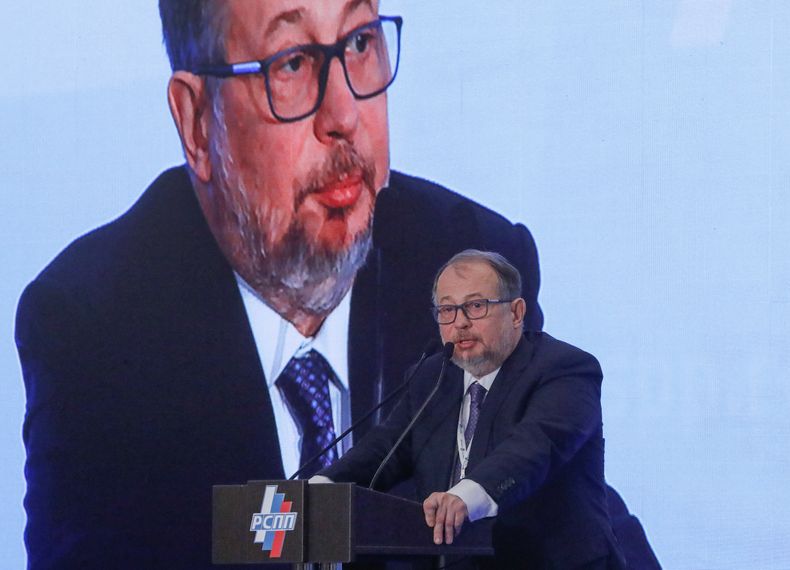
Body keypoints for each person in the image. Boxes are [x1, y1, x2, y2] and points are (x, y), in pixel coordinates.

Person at [15, 1, 657, 568]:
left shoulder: (468, 269)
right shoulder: (95, 330)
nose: (344, 114)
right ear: (196, 123)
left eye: (358, 43)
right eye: (291, 62)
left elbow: (562, 528)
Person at [318, 250, 626, 569]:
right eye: (448, 309)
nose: (460, 322)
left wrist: (467, 496)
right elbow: (387, 447)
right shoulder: (432, 377)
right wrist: (323, 488)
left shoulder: (564, 369)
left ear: (517, 313)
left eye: (476, 306)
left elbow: (536, 444)